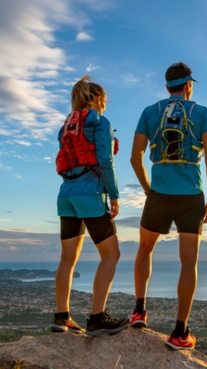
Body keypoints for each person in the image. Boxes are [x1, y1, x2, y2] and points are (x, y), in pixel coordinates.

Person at [129, 62, 207, 350]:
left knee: (145, 248)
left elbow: (135, 157)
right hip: (192, 195)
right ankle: (180, 331)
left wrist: (148, 189)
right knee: (188, 262)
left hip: (159, 193)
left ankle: (139, 312)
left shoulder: (149, 112)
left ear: (167, 87)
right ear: (188, 84)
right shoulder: (202, 113)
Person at [50, 76, 129, 336]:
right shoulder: (100, 122)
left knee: (67, 259)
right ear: (96, 99)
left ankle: (62, 317)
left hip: (66, 196)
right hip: (90, 194)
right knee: (111, 254)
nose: (104, 106)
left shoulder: (66, 128)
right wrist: (114, 194)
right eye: (103, 101)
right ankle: (97, 318)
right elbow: (105, 162)